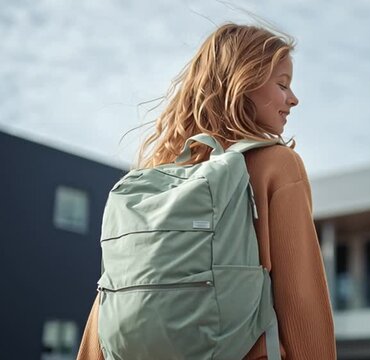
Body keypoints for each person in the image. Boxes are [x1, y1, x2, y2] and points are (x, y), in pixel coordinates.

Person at [76, 22, 336, 360]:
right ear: (244, 82)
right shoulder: (276, 163)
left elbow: (111, 296)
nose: (293, 99)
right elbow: (302, 298)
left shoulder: (151, 180)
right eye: (282, 84)